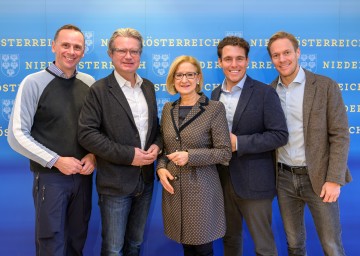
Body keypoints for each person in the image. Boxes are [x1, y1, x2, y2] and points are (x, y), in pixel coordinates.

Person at [7, 24, 96, 255]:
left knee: (77, 241)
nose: (71, 51)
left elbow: (98, 130)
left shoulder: (89, 83)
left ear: (84, 51)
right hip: (51, 179)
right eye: (65, 45)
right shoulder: (33, 82)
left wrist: (93, 156)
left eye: (77, 47)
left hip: (83, 178)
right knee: (51, 245)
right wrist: (56, 160)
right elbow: (16, 135)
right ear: (53, 46)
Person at [267, 31, 352, 256]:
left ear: (297, 52)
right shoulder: (269, 92)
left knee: (332, 246)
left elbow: (340, 135)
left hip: (320, 177)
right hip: (283, 179)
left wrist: (334, 179)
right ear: (271, 59)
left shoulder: (325, 86)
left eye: (286, 52)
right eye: (276, 55)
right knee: (294, 245)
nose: (282, 59)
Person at [77, 28, 161, 256]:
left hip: (145, 182)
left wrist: (158, 144)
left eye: (134, 51)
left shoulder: (148, 87)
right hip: (115, 184)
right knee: (113, 249)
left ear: (140, 55)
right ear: (110, 54)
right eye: (122, 50)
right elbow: (87, 134)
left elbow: (156, 128)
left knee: (135, 244)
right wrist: (129, 155)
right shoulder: (99, 90)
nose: (128, 56)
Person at [211, 36, 289, 256]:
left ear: (247, 61)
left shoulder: (265, 93)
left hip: (255, 183)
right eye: (228, 59)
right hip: (223, 181)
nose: (233, 64)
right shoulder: (214, 95)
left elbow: (279, 135)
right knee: (230, 240)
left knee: (264, 245)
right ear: (220, 62)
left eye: (239, 59)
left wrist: (240, 143)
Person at [156, 55, 232, 256]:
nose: (184, 80)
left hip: (202, 192)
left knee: (202, 249)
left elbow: (224, 152)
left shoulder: (214, 108)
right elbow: (165, 149)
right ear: (173, 79)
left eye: (190, 74)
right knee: (186, 248)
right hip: (173, 190)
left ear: (198, 77)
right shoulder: (167, 109)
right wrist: (161, 168)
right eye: (179, 75)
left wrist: (190, 156)